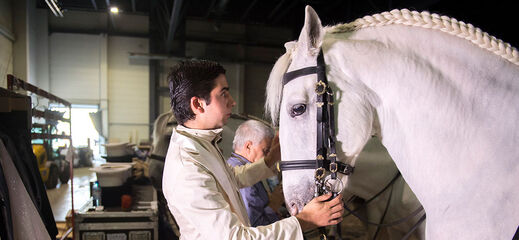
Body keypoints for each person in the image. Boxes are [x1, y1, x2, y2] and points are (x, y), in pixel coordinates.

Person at [162, 59, 343, 239]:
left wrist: (270, 159)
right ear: (198, 104)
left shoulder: (201, 144)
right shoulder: (187, 168)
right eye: (223, 94)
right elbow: (236, 237)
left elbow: (231, 178)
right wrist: (305, 220)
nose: (232, 102)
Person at [227, 119, 283, 226]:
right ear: (248, 146)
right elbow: (253, 226)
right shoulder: (245, 179)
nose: (267, 157)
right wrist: (274, 204)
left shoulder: (232, 166)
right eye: (266, 151)